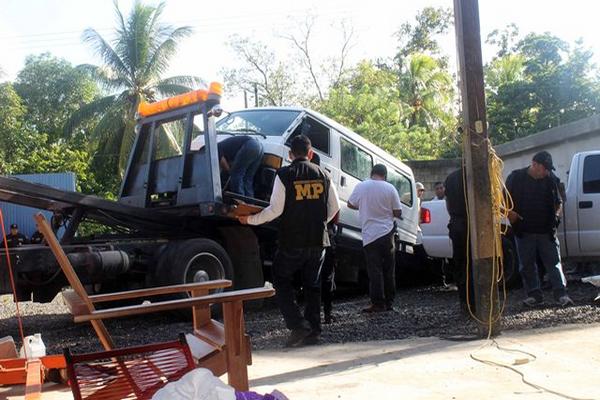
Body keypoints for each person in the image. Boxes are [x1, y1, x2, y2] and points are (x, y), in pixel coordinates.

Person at [238, 135, 340, 347]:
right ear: (310, 154)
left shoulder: (284, 174)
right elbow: (334, 208)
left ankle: (297, 325)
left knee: (281, 279)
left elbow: (275, 210)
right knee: (313, 286)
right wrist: (319, 223)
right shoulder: (324, 174)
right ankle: (313, 331)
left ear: (290, 155)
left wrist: (249, 219)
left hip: (292, 240)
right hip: (318, 241)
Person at [505, 151, 574, 307]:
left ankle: (561, 294)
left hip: (546, 231)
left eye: (548, 169)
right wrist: (510, 214)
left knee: (554, 263)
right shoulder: (515, 178)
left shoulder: (551, 180)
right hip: (524, 231)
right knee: (527, 265)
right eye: (545, 168)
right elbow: (502, 201)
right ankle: (534, 295)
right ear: (534, 164)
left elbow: (559, 203)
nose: (547, 171)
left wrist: (556, 217)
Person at [348, 164, 402, 313]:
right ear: (385, 175)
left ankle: (378, 303)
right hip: (387, 233)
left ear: (372, 173)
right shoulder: (391, 188)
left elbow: (350, 203)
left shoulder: (362, 186)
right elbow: (398, 212)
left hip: (370, 235)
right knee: (389, 269)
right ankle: (389, 303)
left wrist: (365, 206)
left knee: (375, 271)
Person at [444, 167, 475, 312]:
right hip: (473, 224)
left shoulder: (451, 178)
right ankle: (476, 301)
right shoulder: (478, 175)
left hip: (457, 225)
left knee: (461, 264)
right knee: (476, 263)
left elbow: (448, 204)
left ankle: (465, 302)